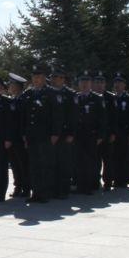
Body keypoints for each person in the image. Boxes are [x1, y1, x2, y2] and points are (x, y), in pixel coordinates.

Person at [19, 64, 60, 203]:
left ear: (44, 78)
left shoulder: (51, 93)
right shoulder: (28, 93)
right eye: (34, 77)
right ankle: (36, 192)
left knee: (45, 164)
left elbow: (56, 115)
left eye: (39, 77)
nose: (36, 79)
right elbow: (24, 115)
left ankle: (45, 193)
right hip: (31, 135)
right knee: (34, 164)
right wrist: (24, 133)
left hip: (46, 135)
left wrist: (55, 133)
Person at [75, 72, 106, 195]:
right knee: (78, 161)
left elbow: (103, 119)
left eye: (86, 83)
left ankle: (89, 185)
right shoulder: (75, 97)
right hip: (78, 135)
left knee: (90, 161)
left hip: (92, 135)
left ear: (90, 84)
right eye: (82, 83)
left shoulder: (97, 98)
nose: (84, 85)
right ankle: (80, 185)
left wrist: (100, 135)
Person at [49, 66, 78, 199]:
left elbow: (73, 116)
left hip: (65, 134)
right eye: (54, 77)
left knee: (64, 163)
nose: (57, 80)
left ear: (64, 79)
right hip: (50, 134)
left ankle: (63, 189)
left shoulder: (70, 94)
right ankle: (53, 188)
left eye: (60, 77)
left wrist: (71, 134)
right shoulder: (48, 93)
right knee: (51, 162)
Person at [6, 74, 31, 198]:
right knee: (15, 164)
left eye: (11, 84)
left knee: (23, 164)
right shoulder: (13, 99)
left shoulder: (23, 100)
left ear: (17, 86)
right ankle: (18, 186)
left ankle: (26, 188)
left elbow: (24, 120)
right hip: (12, 138)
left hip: (20, 138)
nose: (9, 86)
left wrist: (25, 136)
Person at [108, 75, 129, 189]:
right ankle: (114, 178)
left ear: (124, 85)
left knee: (123, 156)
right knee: (113, 156)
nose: (117, 85)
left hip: (124, 131)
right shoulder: (111, 98)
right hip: (113, 132)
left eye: (120, 83)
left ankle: (123, 180)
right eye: (115, 83)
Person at [91, 73, 112, 192]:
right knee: (95, 159)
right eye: (97, 83)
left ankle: (108, 182)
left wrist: (113, 133)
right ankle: (95, 181)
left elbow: (114, 117)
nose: (99, 85)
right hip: (95, 134)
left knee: (107, 159)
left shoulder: (110, 97)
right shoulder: (92, 97)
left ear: (105, 84)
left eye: (101, 83)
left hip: (108, 134)